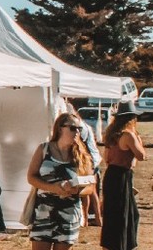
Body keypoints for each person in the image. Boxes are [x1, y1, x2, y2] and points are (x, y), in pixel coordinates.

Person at [25, 112, 93, 250]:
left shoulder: (81, 155)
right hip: (44, 212)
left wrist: (78, 190)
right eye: (73, 128)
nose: (77, 132)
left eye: (80, 129)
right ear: (60, 128)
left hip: (69, 214)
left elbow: (91, 186)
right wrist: (53, 188)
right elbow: (31, 177)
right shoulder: (44, 149)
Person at [100, 102, 145, 250]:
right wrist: (138, 139)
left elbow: (106, 158)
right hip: (122, 175)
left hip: (112, 174)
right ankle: (121, 245)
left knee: (114, 213)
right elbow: (141, 155)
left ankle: (112, 245)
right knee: (124, 214)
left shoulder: (112, 135)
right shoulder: (129, 135)